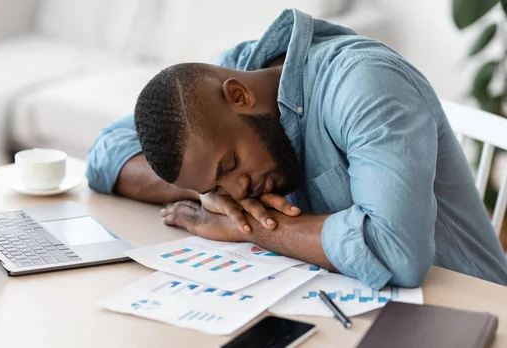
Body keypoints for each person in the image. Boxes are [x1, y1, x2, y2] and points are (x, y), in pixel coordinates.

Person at [86, 8, 507, 289]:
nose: (241, 188)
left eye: (230, 165)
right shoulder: (232, 76)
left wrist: (250, 228)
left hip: (468, 306)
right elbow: (106, 153)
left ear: (239, 96)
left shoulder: (364, 82)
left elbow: (399, 253)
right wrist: (207, 194)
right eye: (222, 184)